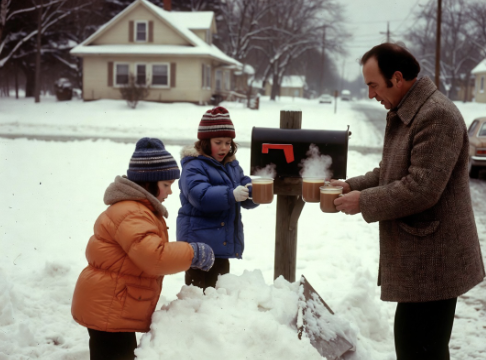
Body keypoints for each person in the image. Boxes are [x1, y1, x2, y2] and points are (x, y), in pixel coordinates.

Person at [332, 43, 485, 360]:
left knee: (421, 349)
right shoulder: (408, 113)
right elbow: (390, 172)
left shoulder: (436, 117)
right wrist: (350, 185)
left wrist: (363, 201)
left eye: (373, 84)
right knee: (415, 347)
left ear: (397, 78)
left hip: (435, 262)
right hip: (421, 264)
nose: (371, 94)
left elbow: (421, 188)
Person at [71, 138, 215, 360]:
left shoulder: (136, 209)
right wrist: (192, 253)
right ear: (149, 183)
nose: (169, 192)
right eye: (166, 185)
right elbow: (154, 256)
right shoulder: (133, 213)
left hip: (112, 305)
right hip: (110, 307)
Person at [176, 106, 259, 290]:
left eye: (228, 143)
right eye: (219, 142)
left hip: (221, 246)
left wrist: (255, 192)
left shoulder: (231, 165)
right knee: (196, 299)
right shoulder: (193, 166)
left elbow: (243, 184)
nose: (224, 148)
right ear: (206, 142)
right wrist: (231, 194)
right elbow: (201, 196)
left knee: (219, 296)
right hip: (198, 248)